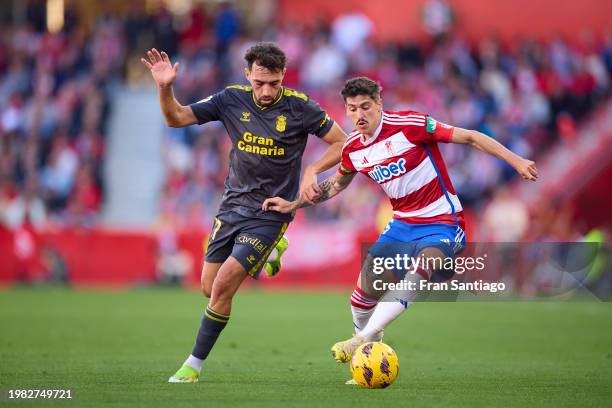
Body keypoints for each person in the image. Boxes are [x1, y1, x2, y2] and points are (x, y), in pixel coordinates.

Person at [262, 76, 537, 378]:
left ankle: (360, 341)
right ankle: (367, 361)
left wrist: (516, 160)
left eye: (366, 107)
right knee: (361, 297)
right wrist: (292, 205)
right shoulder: (353, 148)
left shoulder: (411, 125)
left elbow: (470, 137)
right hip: (402, 225)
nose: (359, 115)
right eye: (352, 109)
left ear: (379, 105)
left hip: (442, 222)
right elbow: (334, 186)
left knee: (422, 266)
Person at [141, 42, 347, 383]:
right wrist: (165, 88)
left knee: (223, 286)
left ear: (283, 76)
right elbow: (175, 118)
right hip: (232, 207)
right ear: (247, 75)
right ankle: (273, 250)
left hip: (272, 211)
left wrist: (312, 171)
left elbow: (343, 143)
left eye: (274, 83)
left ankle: (192, 366)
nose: (267, 91)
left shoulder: (301, 108)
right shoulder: (230, 99)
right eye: (259, 83)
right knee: (208, 288)